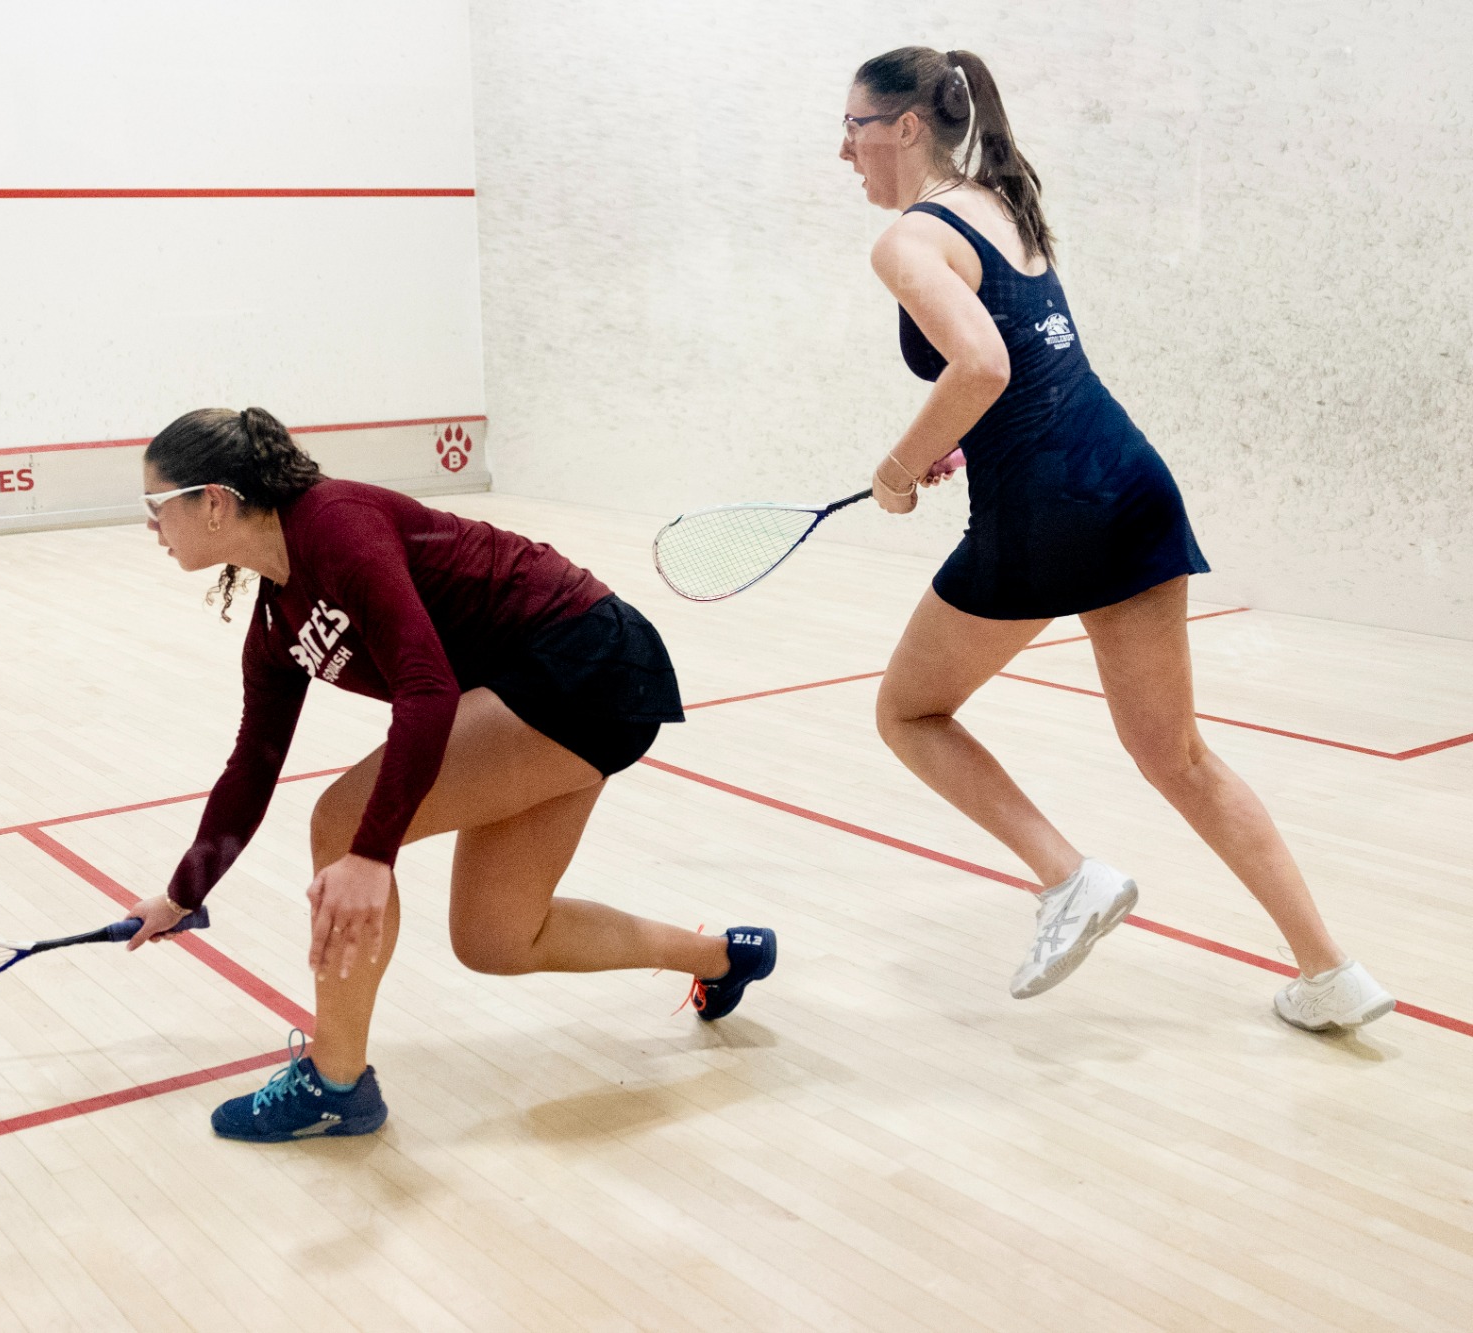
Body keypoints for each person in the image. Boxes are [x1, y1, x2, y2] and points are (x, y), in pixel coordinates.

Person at [839, 46, 1392, 1030]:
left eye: (852, 128)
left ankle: (1066, 878)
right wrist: (952, 443)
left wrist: (891, 471)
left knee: (906, 714)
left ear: (905, 128)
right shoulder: (996, 203)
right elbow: (1026, 374)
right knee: (1175, 753)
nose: (844, 153)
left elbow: (980, 367)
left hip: (1047, 514)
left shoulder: (904, 244)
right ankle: (1330, 972)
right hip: (1126, 479)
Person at [120, 407, 777, 1140]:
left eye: (157, 504)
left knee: (341, 821)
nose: (152, 525)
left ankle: (337, 1081)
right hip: (547, 684)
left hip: (585, 661)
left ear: (213, 500)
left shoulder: (333, 523)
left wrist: (371, 852)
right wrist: (182, 893)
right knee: (497, 937)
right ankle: (724, 957)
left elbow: (426, 688)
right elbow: (254, 763)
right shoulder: (279, 619)